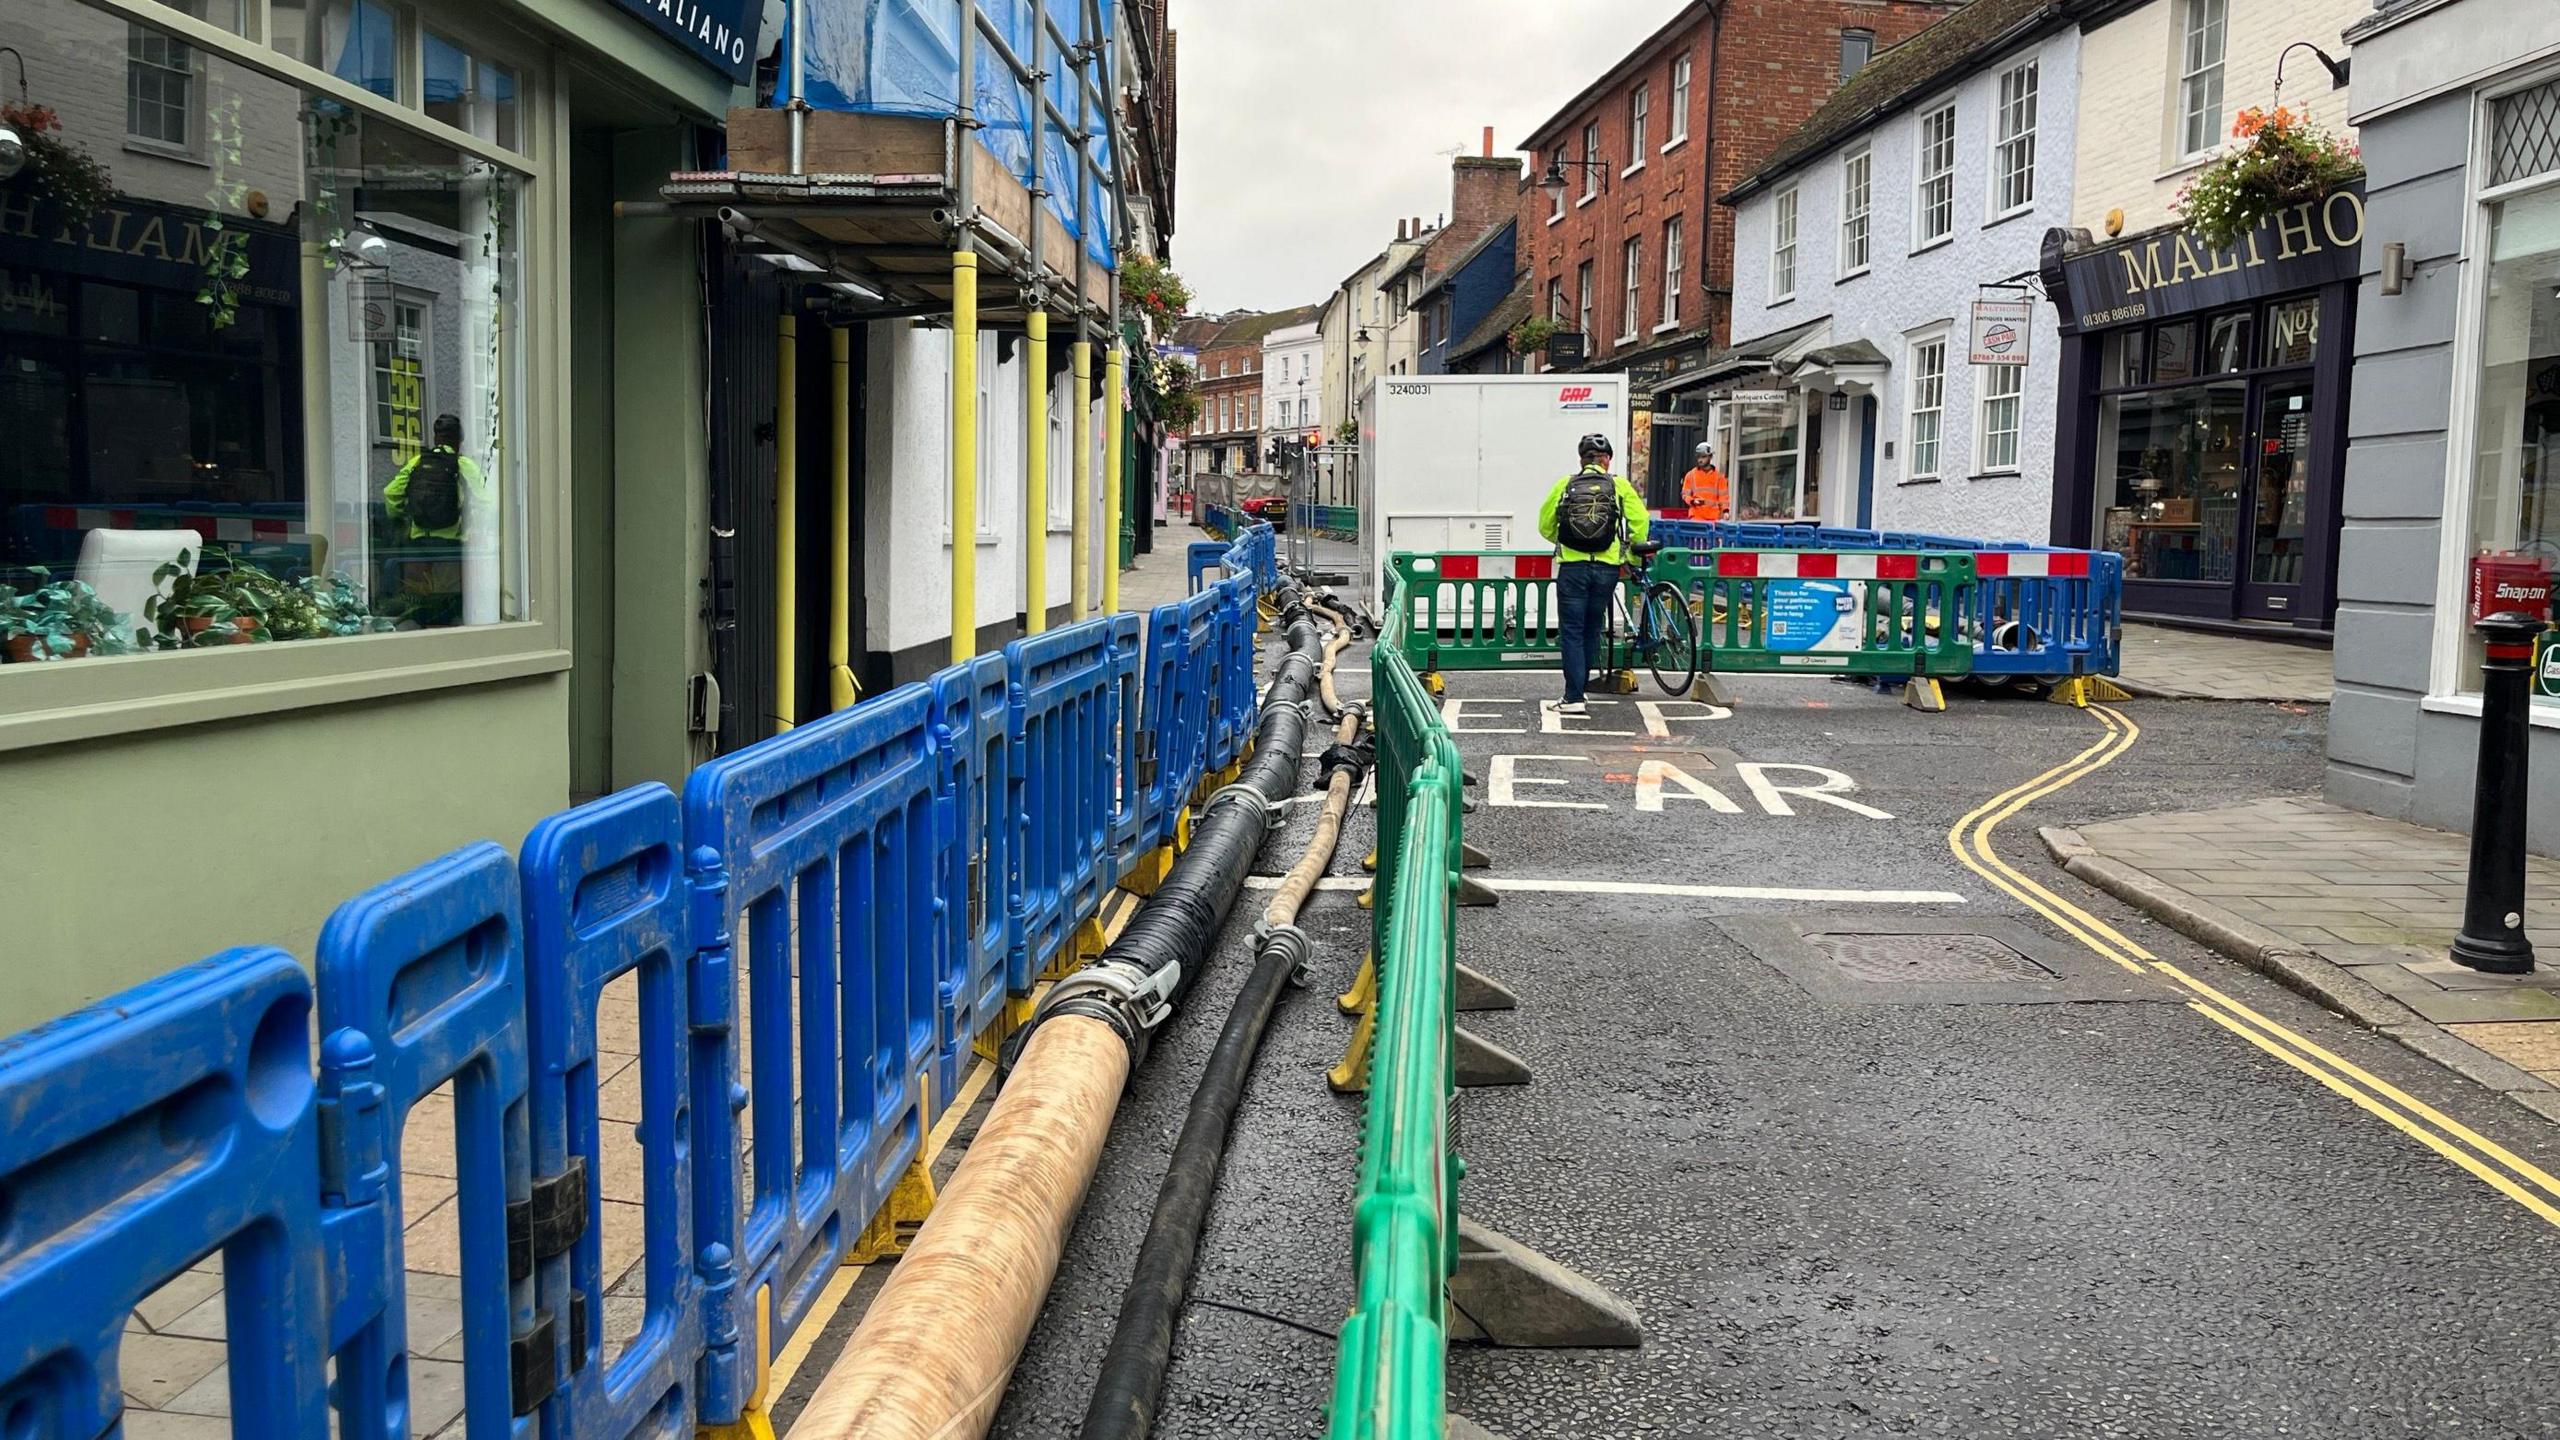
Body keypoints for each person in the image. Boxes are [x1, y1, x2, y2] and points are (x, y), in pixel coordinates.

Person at [1538, 433, 1650, 716]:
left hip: (1573, 568)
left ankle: (1573, 696)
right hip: (1606, 569)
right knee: (1591, 629)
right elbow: (1640, 521)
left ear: (1581, 460)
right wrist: (1631, 556)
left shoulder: (1565, 484)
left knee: (1572, 632)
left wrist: (1564, 542)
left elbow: (1545, 524)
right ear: (1606, 460)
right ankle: (1581, 688)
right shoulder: (1618, 485)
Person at [381, 413, 489, 627]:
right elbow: (487, 502)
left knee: (417, 603)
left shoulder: (417, 462)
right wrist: (478, 527)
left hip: (418, 545)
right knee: (449, 604)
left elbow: (390, 493)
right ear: (459, 440)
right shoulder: (462, 465)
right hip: (450, 547)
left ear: (436, 437)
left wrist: (399, 517)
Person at [1680, 441, 1730, 522]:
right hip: (1696, 516)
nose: (1700, 460)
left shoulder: (1719, 477)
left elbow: (1723, 497)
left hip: (1714, 517)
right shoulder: (1691, 475)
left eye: (1703, 457)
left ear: (1710, 457)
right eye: (1698, 457)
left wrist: (1725, 511)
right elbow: (1685, 494)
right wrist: (1692, 501)